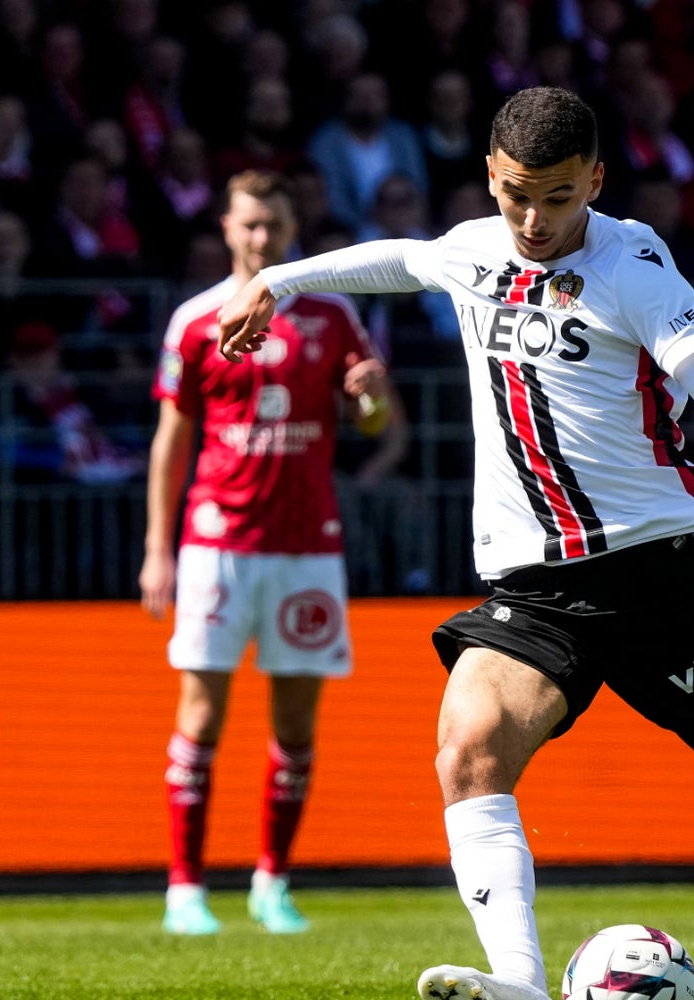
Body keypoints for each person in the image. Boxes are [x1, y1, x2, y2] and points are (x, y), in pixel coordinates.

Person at [217, 87, 694, 1000]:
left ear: (596, 181)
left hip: (658, 575)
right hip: (535, 586)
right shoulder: (475, 249)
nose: (533, 220)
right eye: (516, 194)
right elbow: (402, 260)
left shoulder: (636, 267)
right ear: (491, 176)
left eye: (559, 198)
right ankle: (521, 981)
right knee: (468, 745)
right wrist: (279, 281)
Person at [141, 169, 399, 936]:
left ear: (295, 230)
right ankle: (185, 887)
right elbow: (171, 437)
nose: (262, 238)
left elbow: (376, 423)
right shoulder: (195, 319)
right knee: (202, 714)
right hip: (216, 541)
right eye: (249, 224)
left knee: (295, 726)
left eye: (275, 225)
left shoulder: (334, 312)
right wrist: (158, 547)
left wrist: (373, 398)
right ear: (226, 228)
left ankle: (270, 883)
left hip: (307, 544)